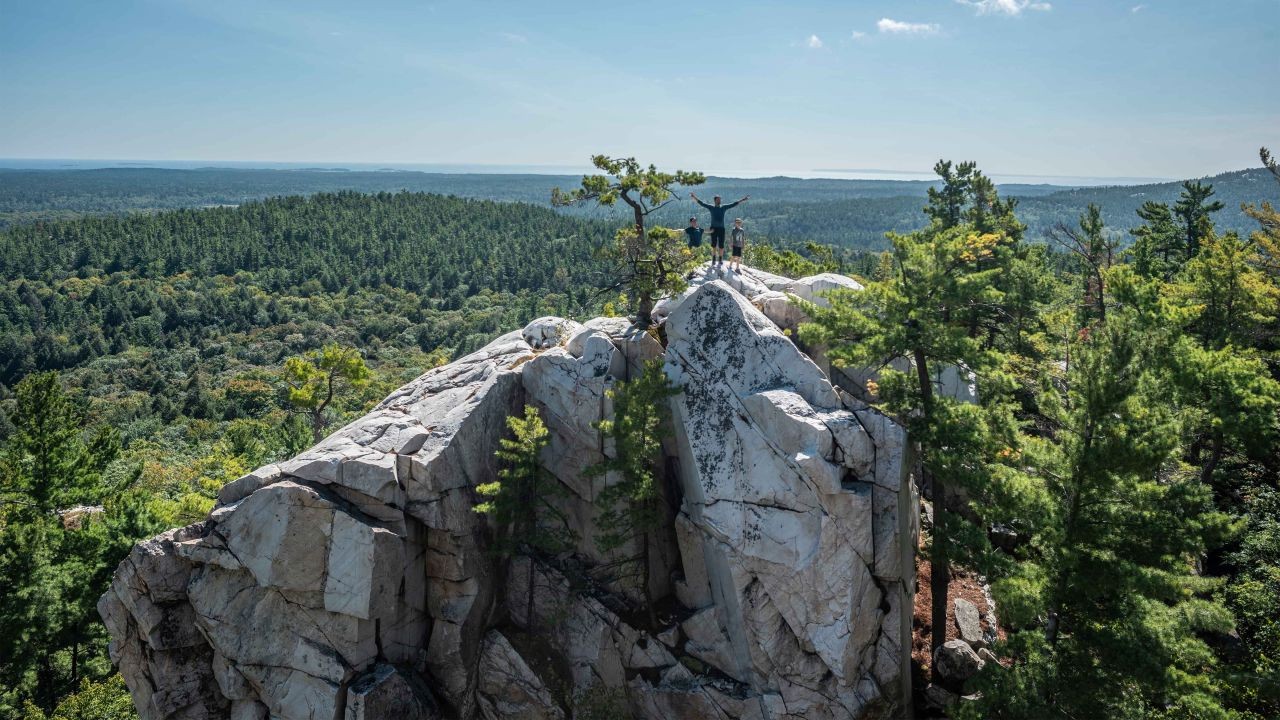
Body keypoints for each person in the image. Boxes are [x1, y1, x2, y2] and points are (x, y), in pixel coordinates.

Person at [691, 192, 749, 267]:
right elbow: (702, 203)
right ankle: (714, 260)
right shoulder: (711, 207)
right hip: (713, 229)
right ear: (715, 200)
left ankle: (720, 259)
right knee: (714, 245)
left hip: (721, 229)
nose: (720, 201)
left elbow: (733, 204)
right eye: (718, 199)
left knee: (721, 246)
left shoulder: (723, 207)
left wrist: (743, 199)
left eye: (720, 199)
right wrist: (694, 197)